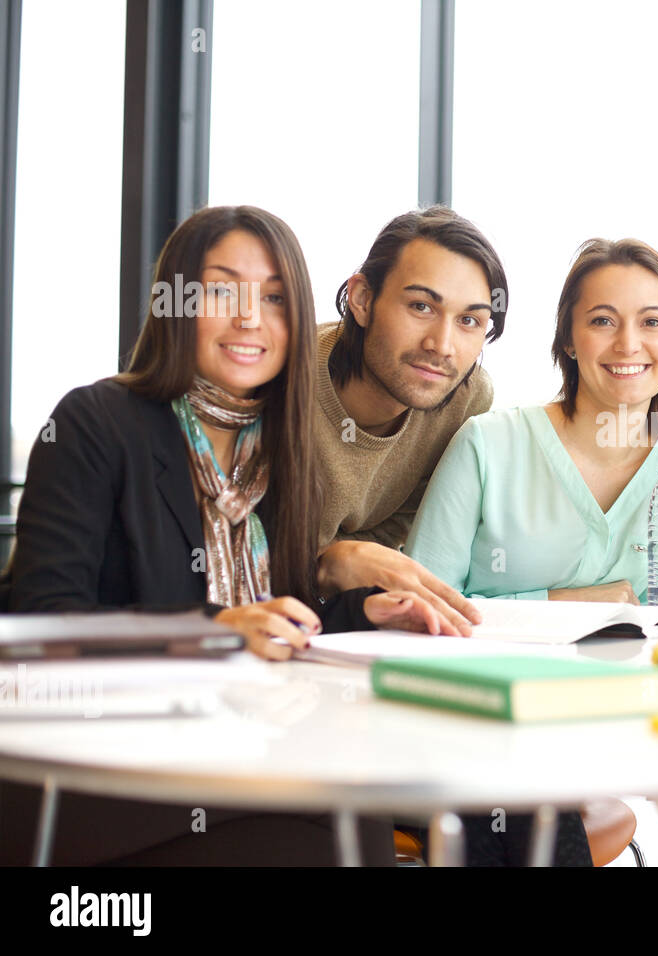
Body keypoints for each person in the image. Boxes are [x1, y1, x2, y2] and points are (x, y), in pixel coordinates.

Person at [0, 205, 446, 865]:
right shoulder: (98, 422)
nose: (249, 319)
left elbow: (280, 615)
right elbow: (37, 626)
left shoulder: (282, 449)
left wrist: (364, 611)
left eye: (273, 298)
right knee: (337, 833)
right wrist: (214, 634)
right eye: (220, 291)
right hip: (94, 766)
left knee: (358, 822)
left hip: (233, 745)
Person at [404, 238, 658, 865]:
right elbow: (420, 615)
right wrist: (566, 605)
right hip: (465, 724)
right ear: (569, 340)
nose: (629, 344)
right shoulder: (488, 444)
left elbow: (651, 626)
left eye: (652, 322)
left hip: (597, 734)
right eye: (602, 320)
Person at [312, 206, 510, 635]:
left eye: (469, 321)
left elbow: (398, 529)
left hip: (338, 626)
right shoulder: (281, 381)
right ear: (363, 299)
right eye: (421, 306)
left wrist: (340, 561)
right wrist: (328, 564)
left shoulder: (467, 398)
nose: (442, 346)